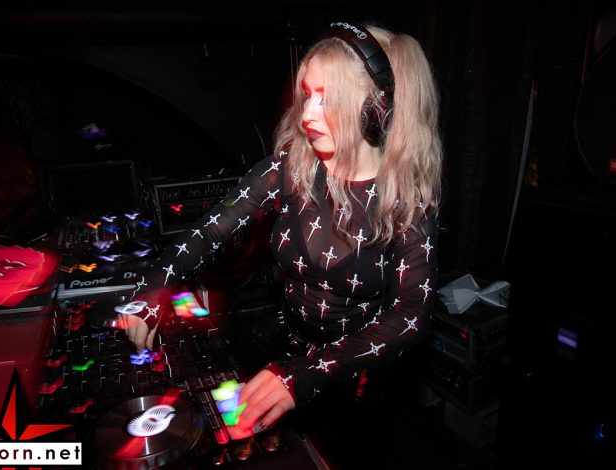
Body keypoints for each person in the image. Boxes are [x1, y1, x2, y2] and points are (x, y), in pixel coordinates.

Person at [117, 19, 442, 448]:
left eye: (327, 99)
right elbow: (209, 232)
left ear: (374, 108)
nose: (307, 115)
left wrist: (305, 374)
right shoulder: (289, 168)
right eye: (308, 96)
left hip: (358, 376)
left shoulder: (406, 202)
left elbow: (412, 314)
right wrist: (154, 286)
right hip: (287, 355)